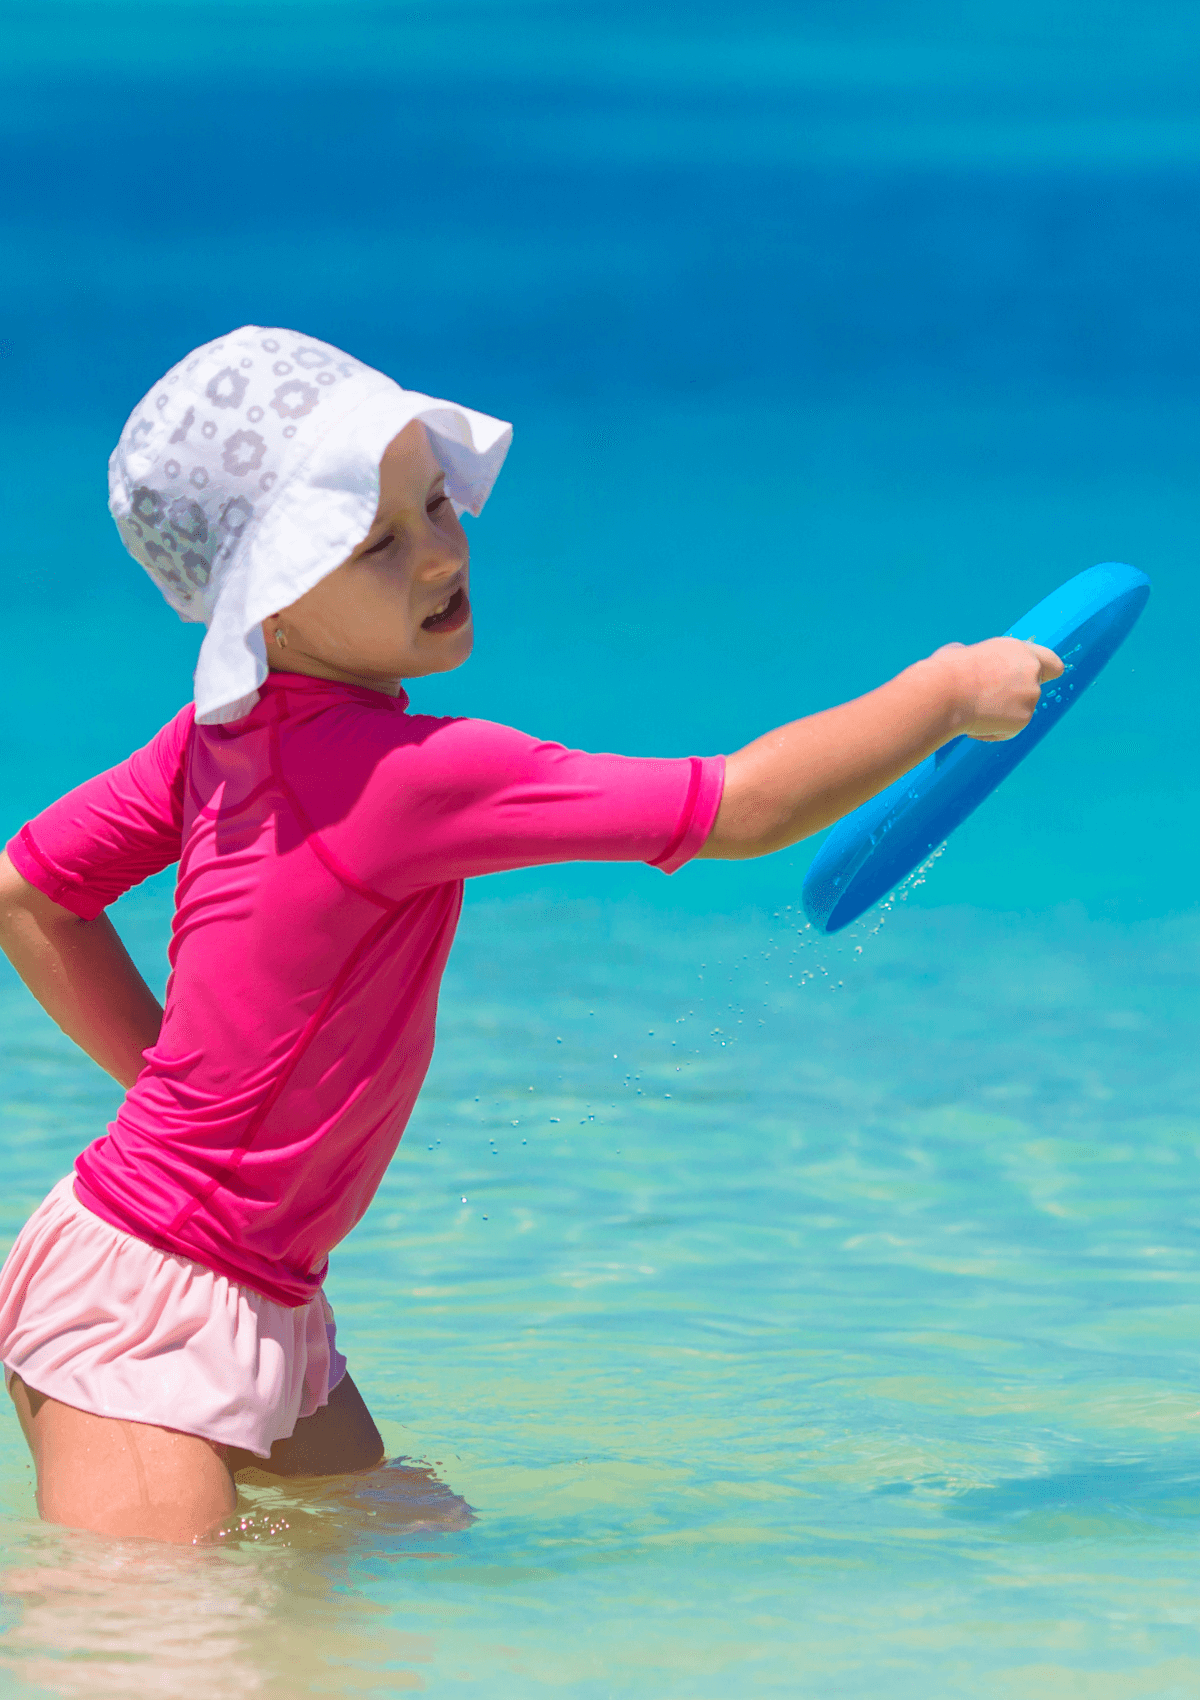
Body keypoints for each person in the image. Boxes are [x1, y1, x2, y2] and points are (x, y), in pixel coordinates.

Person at [0, 328, 1062, 1544]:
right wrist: (946, 693)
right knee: (155, 1648)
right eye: (375, 539)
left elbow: (29, 893)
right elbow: (744, 806)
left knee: (403, 1546)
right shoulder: (407, 772)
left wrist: (180, 1103)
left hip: (258, 1288)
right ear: (269, 606)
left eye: (437, 501)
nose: (440, 548)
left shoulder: (216, 739)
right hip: (145, 1297)